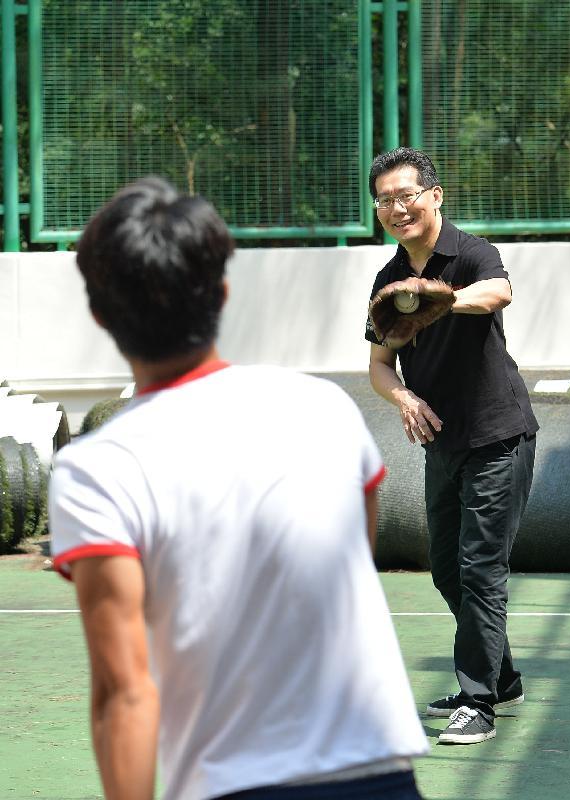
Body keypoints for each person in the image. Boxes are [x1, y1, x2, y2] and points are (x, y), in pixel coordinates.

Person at [49, 177, 429, 800]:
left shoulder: (95, 470)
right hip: (381, 773)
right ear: (222, 293)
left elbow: (124, 691)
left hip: (233, 784)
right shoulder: (324, 408)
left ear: (99, 315)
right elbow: (345, 571)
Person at [365, 148, 538, 745]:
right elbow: (380, 366)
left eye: (406, 194)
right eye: (385, 199)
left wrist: (440, 299)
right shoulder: (387, 283)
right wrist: (405, 401)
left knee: (480, 567)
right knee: (446, 568)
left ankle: (478, 702)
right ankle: (503, 678)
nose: (397, 208)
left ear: (435, 195)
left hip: (498, 433)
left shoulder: (471, 253)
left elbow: (498, 293)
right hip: (442, 439)